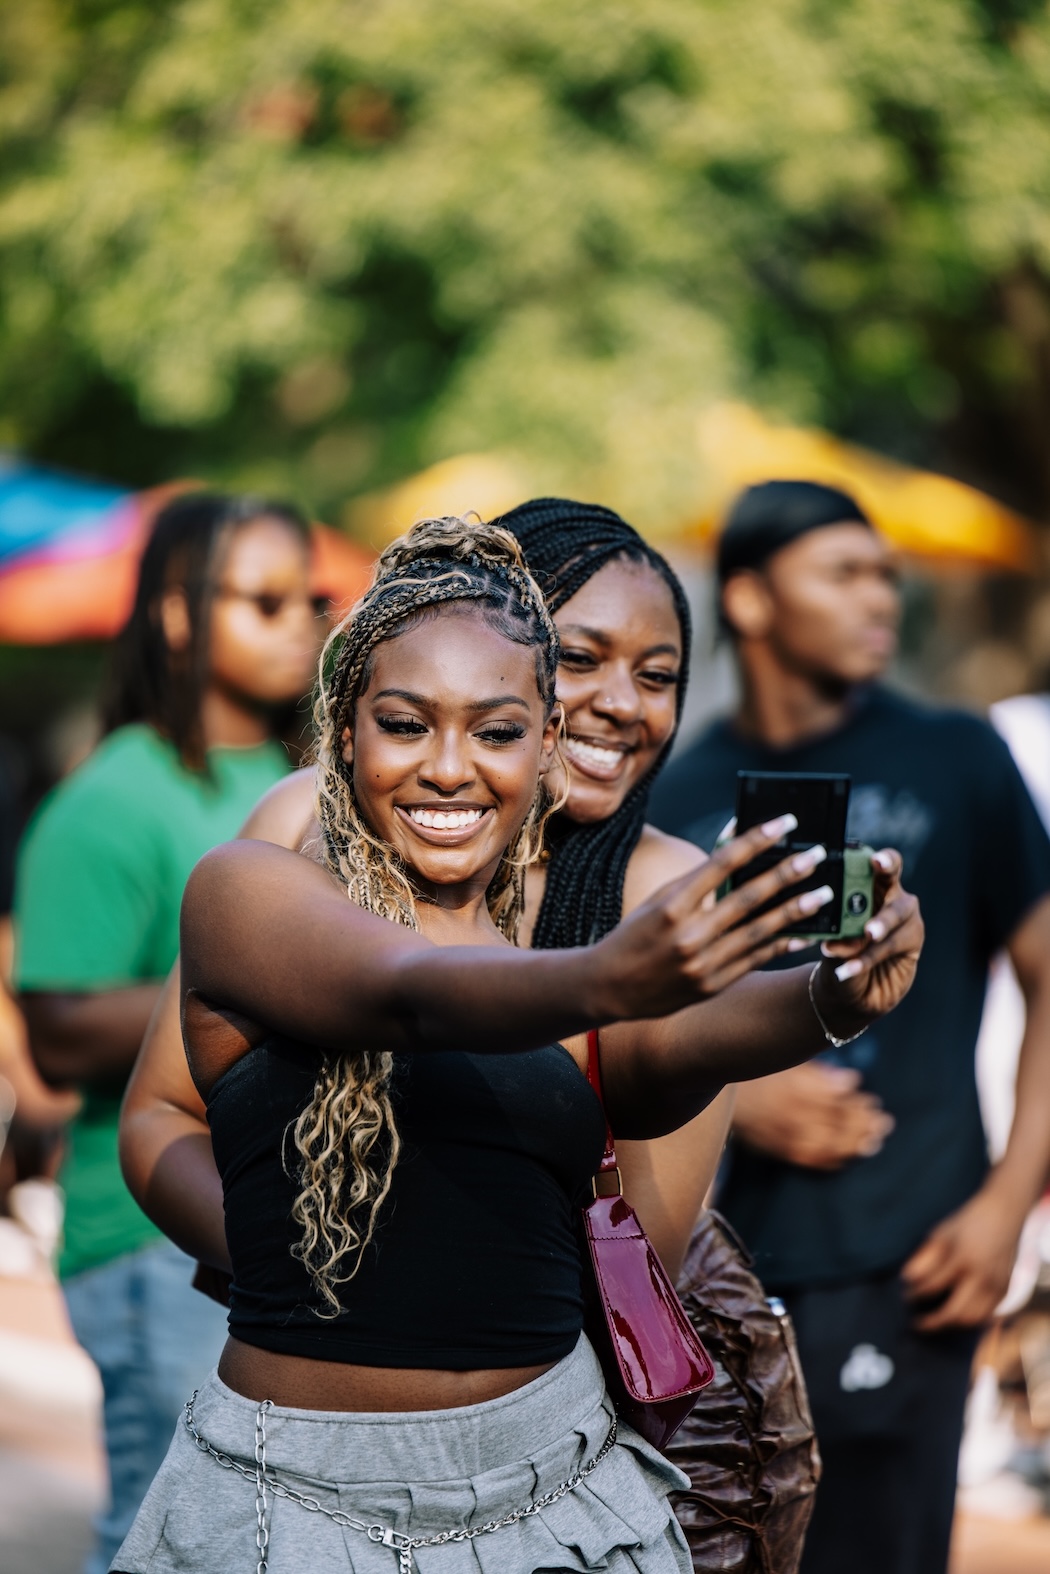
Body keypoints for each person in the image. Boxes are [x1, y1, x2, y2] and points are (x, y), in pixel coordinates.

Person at [114, 515, 922, 1574]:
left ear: (545, 746)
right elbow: (403, 992)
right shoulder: (251, 887)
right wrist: (293, 1248)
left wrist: (832, 992)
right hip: (297, 1499)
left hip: (554, 1484)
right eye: (406, 723)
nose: (451, 769)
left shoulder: (554, 946)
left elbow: (660, 1060)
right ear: (346, 730)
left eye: (495, 732)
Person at [650, 480, 1050, 1574]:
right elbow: (623, 1025)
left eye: (886, 572)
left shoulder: (958, 756)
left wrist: (1007, 1204)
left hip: (916, 1247)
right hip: (713, 1268)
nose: (883, 596)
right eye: (845, 572)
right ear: (750, 597)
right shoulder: (675, 790)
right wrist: (738, 1086)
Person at [13, 491, 323, 1574]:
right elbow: (54, 1027)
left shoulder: (305, 776)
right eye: (266, 599)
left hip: (271, 1219)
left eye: (313, 599)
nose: (302, 622)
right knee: (173, 1541)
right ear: (181, 615)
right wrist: (271, 982)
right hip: (153, 1227)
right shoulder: (113, 797)